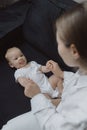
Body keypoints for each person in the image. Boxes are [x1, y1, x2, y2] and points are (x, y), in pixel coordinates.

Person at [2, 1, 87, 130]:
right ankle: (56, 99)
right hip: (57, 98)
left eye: (58, 42)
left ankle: (55, 99)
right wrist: (62, 74)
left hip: (52, 117)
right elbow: (78, 81)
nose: (20, 59)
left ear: (74, 51)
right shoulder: (82, 73)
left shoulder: (81, 110)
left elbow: (54, 126)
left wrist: (36, 96)